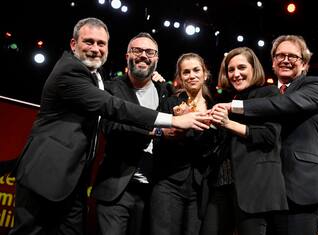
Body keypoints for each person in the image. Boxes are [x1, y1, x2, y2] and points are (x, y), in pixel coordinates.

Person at [9, 18, 210, 235]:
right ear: (73, 44)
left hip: (86, 181)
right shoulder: (75, 73)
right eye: (89, 42)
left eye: (101, 43)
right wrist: (169, 123)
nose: (95, 49)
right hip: (52, 173)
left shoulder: (156, 88)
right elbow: (113, 110)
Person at [211, 35, 318, 235]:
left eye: (292, 56)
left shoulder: (315, 85)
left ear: (304, 63)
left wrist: (235, 106)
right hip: (268, 189)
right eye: (280, 56)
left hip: (302, 184)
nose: (285, 60)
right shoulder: (265, 93)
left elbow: (285, 104)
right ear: (273, 62)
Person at [91, 32, 174, 235]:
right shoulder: (110, 89)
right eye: (137, 50)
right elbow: (110, 127)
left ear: (157, 58)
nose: (143, 55)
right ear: (127, 55)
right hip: (116, 190)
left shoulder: (166, 91)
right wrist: (156, 132)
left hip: (154, 194)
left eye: (149, 52)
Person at [201, 47, 288, 235]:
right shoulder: (226, 98)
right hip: (221, 186)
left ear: (253, 68)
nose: (235, 74)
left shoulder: (268, 93)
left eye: (241, 67)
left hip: (253, 187)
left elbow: (269, 136)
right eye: (230, 70)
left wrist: (227, 123)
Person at [150, 53, 217, 235]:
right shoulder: (170, 103)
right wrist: (172, 130)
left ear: (205, 73)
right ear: (180, 77)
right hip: (168, 182)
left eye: (196, 70)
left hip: (200, 186)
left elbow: (213, 148)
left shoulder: (215, 106)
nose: (192, 75)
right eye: (186, 72)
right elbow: (156, 136)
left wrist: (190, 126)